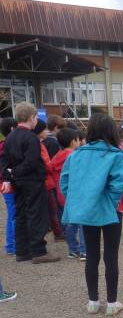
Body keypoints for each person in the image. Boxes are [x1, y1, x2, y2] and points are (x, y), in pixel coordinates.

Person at [60, 113, 123, 315]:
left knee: (91, 254)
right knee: (111, 255)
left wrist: (80, 201)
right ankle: (112, 303)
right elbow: (119, 185)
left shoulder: (75, 155)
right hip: (111, 211)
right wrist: (108, 202)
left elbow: (65, 183)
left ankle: (93, 301)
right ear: (112, 131)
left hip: (87, 210)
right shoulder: (116, 155)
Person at [0, 103, 59, 263]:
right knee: (36, 214)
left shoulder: (10, 137)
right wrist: (16, 171)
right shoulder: (31, 137)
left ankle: (22, 250)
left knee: (20, 214)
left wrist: (9, 175)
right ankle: (38, 251)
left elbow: (4, 160)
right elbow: (32, 161)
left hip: (17, 182)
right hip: (32, 180)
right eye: (36, 118)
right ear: (31, 118)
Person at [50, 127, 86, 260]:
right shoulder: (75, 156)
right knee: (82, 221)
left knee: (70, 222)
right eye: (78, 140)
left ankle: (73, 249)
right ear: (73, 141)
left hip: (62, 193)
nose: (80, 142)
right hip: (76, 193)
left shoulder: (57, 156)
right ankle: (84, 250)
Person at [34, 120, 66, 241]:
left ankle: (56, 231)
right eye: (44, 129)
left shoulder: (41, 143)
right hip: (47, 181)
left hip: (44, 180)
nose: (46, 132)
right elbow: (47, 164)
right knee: (53, 209)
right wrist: (51, 168)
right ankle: (58, 232)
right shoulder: (41, 144)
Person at [1, 117, 18, 255]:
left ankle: (11, 245)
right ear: (12, 129)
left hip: (5, 184)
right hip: (8, 184)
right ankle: (13, 246)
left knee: (12, 214)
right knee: (14, 215)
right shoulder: (6, 146)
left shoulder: (4, 144)